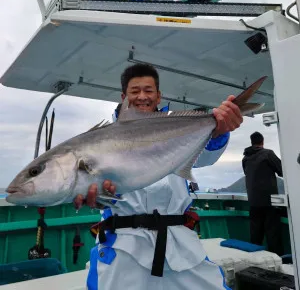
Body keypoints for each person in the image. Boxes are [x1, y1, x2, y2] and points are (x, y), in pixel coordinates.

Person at [74, 63, 243, 289]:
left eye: (148, 90)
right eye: (135, 91)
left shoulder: (180, 128)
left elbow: (206, 157)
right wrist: (88, 195)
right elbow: (90, 185)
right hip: (124, 246)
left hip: (180, 244)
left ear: (159, 96)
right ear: (124, 96)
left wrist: (219, 132)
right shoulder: (100, 141)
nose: (142, 97)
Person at [242, 131, 284, 256]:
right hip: (269, 201)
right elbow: (282, 170)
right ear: (262, 141)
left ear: (252, 142)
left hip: (253, 201)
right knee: (273, 234)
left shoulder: (245, 158)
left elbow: (246, 173)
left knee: (256, 235)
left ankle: (256, 262)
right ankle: (277, 261)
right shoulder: (268, 154)